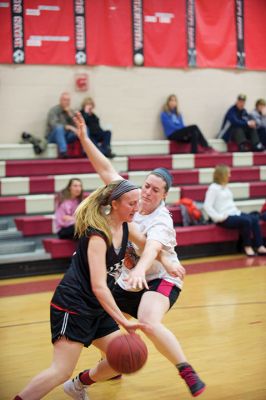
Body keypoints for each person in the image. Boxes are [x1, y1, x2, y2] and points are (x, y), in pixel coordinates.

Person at [63, 112, 206, 399]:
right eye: (146, 186)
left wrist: (141, 269)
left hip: (159, 279)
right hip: (127, 279)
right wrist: (85, 139)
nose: (147, 192)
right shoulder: (130, 196)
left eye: (155, 190)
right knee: (119, 343)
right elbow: (104, 168)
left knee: (149, 323)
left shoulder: (162, 220)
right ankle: (83, 381)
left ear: (164, 195)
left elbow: (152, 247)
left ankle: (185, 369)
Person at [13, 179, 151, 400]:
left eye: (138, 203)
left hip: (96, 308)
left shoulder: (125, 226)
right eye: (131, 204)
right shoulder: (97, 235)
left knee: (122, 360)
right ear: (114, 204)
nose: (137, 208)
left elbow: (147, 246)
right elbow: (98, 286)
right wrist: (124, 321)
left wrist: (162, 261)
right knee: (61, 370)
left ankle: (77, 386)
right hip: (73, 305)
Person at [203, 164, 266, 257]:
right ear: (222, 174)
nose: (229, 175)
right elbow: (207, 206)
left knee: (254, 219)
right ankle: (247, 246)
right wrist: (218, 217)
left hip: (234, 213)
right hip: (224, 217)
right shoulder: (213, 188)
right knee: (246, 221)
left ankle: (260, 246)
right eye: (228, 173)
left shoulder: (226, 187)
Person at [46, 92, 86, 158]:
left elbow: (77, 126)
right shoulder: (54, 110)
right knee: (59, 128)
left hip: (67, 136)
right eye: (65, 100)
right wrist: (67, 127)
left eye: (68, 100)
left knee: (84, 128)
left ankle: (85, 151)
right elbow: (53, 125)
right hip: (53, 136)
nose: (67, 102)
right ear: (60, 100)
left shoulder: (71, 111)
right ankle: (63, 152)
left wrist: (70, 115)